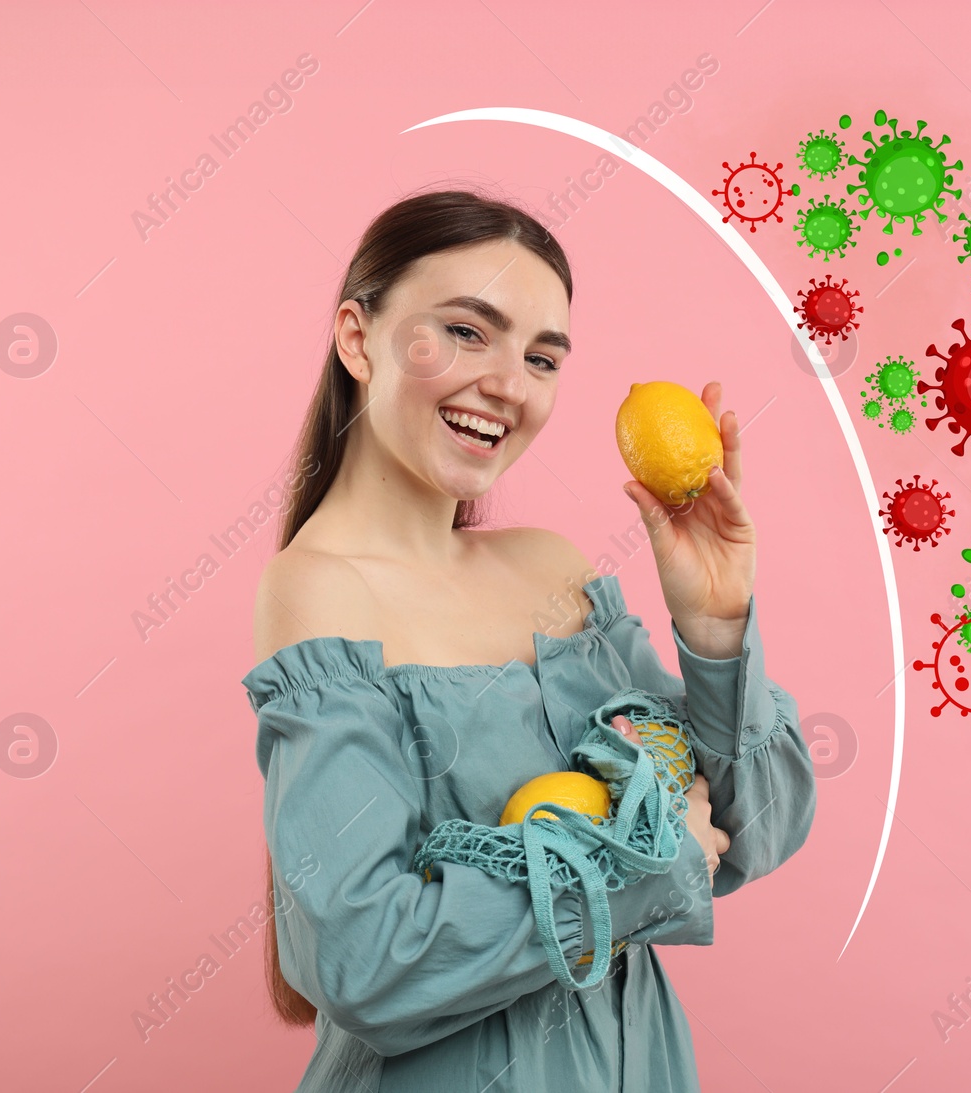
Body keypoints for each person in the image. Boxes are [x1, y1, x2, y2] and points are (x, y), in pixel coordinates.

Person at [240, 188, 817, 1091]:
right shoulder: (319, 591)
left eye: (542, 356)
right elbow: (365, 959)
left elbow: (749, 833)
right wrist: (642, 868)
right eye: (469, 332)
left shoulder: (551, 570)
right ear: (359, 338)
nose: (510, 384)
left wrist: (714, 626)